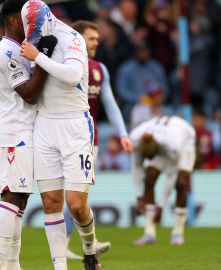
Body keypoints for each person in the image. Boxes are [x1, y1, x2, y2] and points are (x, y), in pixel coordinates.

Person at [20, 1, 117, 269]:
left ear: (48, 19)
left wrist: (37, 57)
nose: (33, 34)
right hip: (44, 125)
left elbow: (73, 75)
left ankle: (89, 250)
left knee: (75, 204)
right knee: (51, 202)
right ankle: (59, 266)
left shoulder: (72, 38)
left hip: (74, 125)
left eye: (36, 28)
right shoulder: (34, 38)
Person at [0, 1, 57, 269]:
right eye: (26, 18)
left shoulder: (19, 50)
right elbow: (28, 94)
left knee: (21, 199)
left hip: (23, 131)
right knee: (12, 195)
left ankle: (12, 265)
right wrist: (43, 59)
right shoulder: (6, 52)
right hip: (13, 130)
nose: (32, 23)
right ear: (14, 20)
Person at [58, 20, 131, 260]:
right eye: (92, 38)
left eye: (97, 39)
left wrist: (122, 134)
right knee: (60, 196)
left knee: (78, 196)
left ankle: (72, 243)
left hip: (89, 141)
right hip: (59, 136)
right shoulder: (63, 64)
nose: (96, 43)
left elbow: (109, 102)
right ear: (77, 39)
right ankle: (80, 241)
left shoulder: (100, 69)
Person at [130, 116, 196, 245]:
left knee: (181, 183)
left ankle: (178, 232)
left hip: (185, 142)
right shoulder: (135, 140)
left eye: (151, 157)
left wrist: (161, 207)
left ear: (156, 150)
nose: (150, 159)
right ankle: (149, 233)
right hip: (164, 138)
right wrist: (139, 197)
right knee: (149, 177)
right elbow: (136, 168)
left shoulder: (173, 144)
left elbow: (172, 175)